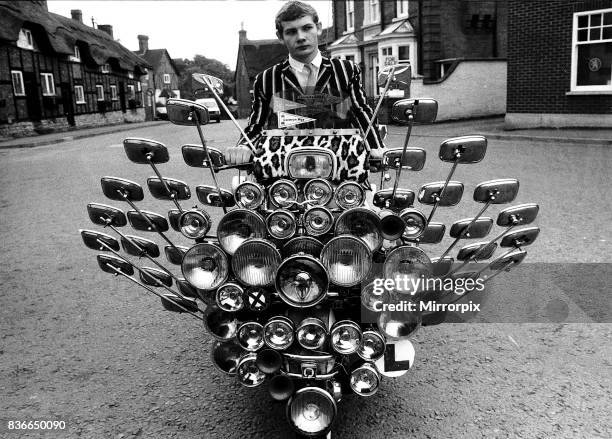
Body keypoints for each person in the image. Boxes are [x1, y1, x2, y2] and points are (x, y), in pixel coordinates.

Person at [227, 0, 386, 174]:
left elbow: (361, 112)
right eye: (291, 31)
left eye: (307, 28)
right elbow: (256, 124)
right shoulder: (266, 79)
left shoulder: (346, 70)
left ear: (318, 28)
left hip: (340, 168)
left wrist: (375, 147)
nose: (301, 36)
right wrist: (243, 147)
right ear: (281, 36)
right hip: (284, 173)